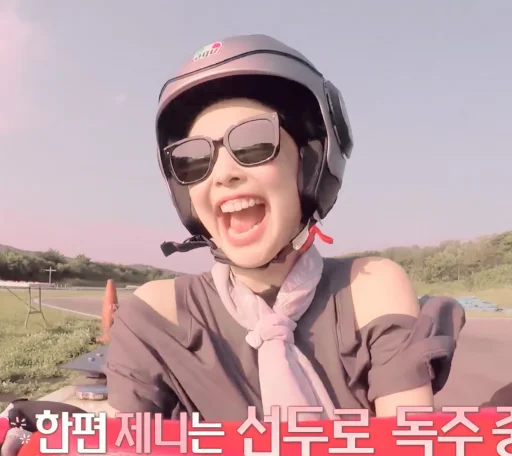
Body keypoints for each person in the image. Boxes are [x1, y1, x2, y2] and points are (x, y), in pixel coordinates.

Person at [104, 34, 465, 422]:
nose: (223, 174)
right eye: (193, 159)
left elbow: (406, 446)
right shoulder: (157, 315)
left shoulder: (368, 289)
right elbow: (119, 448)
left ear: (310, 165)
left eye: (254, 143)